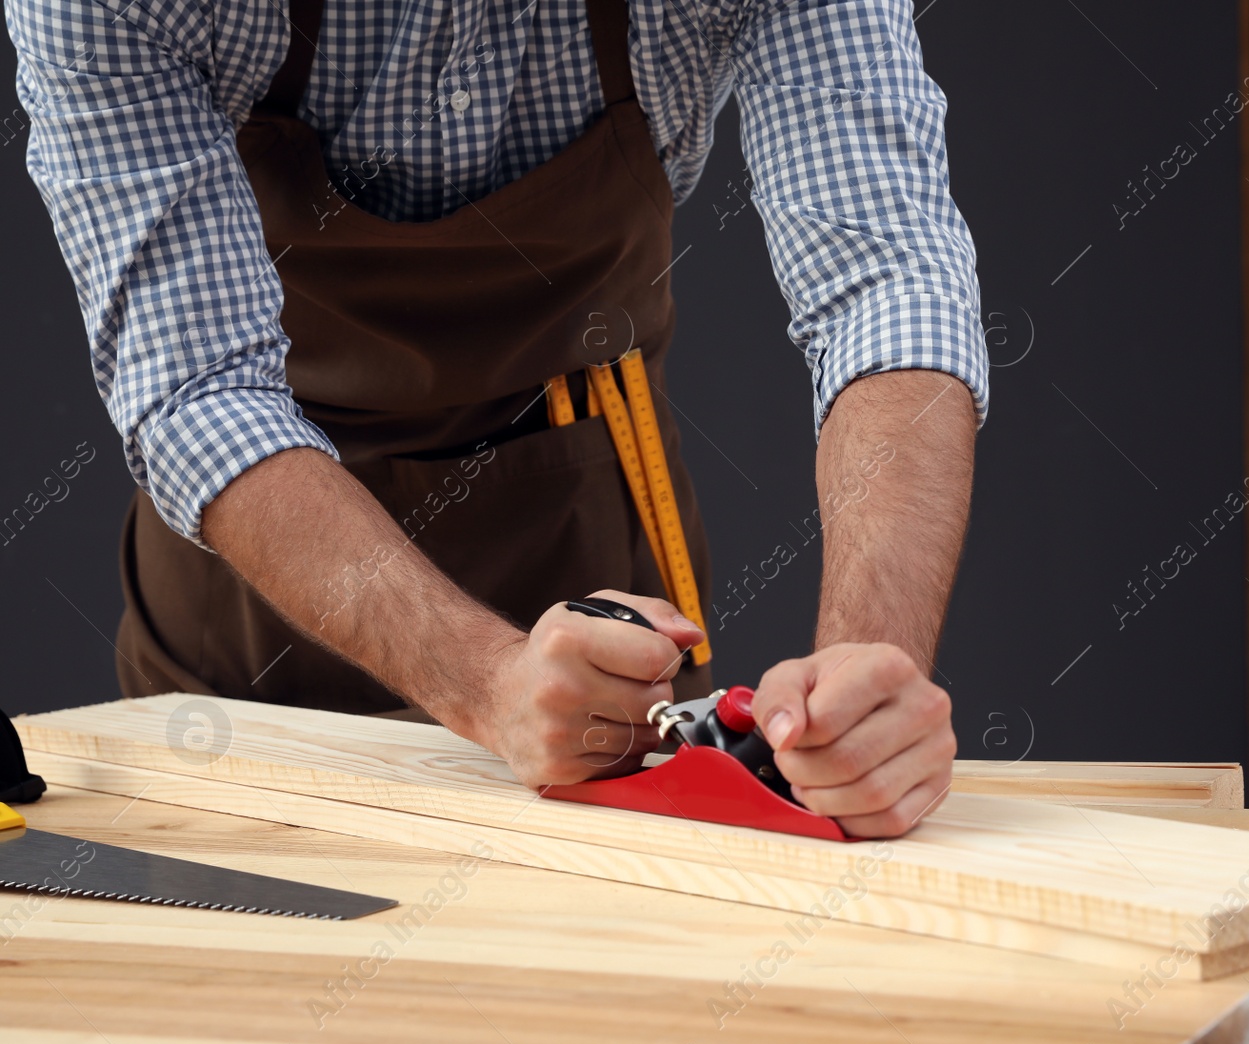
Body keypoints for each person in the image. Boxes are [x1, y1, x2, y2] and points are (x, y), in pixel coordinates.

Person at [8, 0, 984, 837]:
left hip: (605, 627)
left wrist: (868, 675)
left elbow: (886, 283)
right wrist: (486, 678)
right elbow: (202, 392)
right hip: (250, 666)